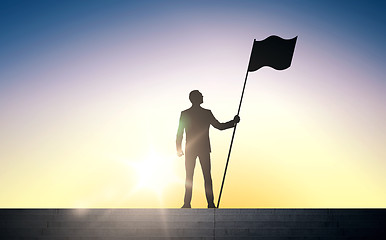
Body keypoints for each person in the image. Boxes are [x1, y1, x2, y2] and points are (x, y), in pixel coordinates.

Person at [176, 90, 240, 208]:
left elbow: (180, 133)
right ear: (195, 98)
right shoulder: (202, 113)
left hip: (195, 148)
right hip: (200, 148)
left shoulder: (191, 113)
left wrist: (233, 122)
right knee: (202, 176)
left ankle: (194, 203)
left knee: (194, 176)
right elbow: (219, 126)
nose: (203, 96)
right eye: (200, 95)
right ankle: (204, 204)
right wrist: (233, 122)